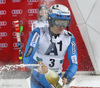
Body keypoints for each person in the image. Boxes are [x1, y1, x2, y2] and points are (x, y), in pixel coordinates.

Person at [23, 4, 78, 88]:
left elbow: (74, 63)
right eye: (58, 22)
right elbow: (27, 58)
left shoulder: (70, 38)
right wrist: (38, 67)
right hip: (37, 79)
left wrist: (66, 77)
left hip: (55, 80)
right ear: (50, 20)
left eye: (65, 23)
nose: (62, 26)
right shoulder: (38, 33)